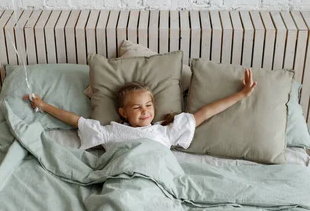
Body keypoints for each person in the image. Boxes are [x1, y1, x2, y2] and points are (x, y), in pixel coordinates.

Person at [23, 69, 257, 151]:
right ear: (123, 112)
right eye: (137, 107)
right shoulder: (111, 131)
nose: (144, 111)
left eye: (148, 106)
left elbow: (205, 113)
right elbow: (76, 121)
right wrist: (43, 106)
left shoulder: (165, 130)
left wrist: (241, 94)